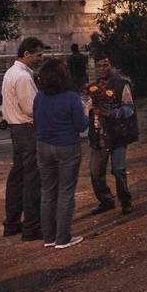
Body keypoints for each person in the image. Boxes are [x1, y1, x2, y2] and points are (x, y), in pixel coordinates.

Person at [34, 58, 87, 249]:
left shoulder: (39, 97)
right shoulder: (72, 98)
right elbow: (81, 126)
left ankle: (49, 237)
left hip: (43, 145)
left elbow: (36, 121)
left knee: (47, 191)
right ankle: (63, 238)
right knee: (65, 192)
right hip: (67, 146)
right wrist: (87, 111)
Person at [2, 37, 45, 240]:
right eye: (38, 55)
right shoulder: (23, 77)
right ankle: (32, 227)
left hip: (15, 129)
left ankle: (12, 223)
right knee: (32, 179)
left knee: (17, 178)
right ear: (26, 54)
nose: (40, 59)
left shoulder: (11, 73)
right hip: (27, 129)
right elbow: (31, 109)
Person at [86, 54, 138, 215]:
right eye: (99, 66)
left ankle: (125, 200)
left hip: (117, 134)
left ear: (111, 66)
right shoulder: (92, 88)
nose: (102, 69)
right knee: (95, 171)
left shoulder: (121, 84)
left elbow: (129, 109)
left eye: (105, 65)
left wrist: (109, 112)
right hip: (98, 135)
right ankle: (106, 200)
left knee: (118, 169)